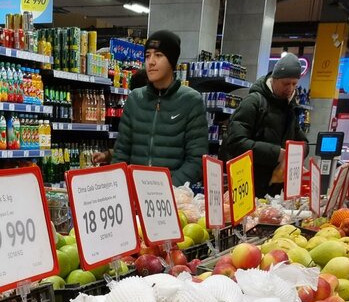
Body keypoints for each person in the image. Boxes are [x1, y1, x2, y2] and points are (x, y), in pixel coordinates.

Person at [95, 30, 209, 186]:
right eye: (148, 56)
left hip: (172, 198)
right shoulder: (135, 99)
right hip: (134, 193)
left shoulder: (190, 101)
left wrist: (167, 189)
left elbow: (196, 161)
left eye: (159, 55)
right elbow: (121, 153)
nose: (151, 62)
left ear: (172, 61)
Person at [222, 53, 309, 197]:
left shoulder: (289, 108)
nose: (290, 88)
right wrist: (277, 154)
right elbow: (236, 142)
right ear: (274, 79)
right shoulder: (253, 103)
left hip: (275, 193)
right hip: (247, 188)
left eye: (294, 84)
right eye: (286, 83)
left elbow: (302, 140)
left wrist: (296, 155)